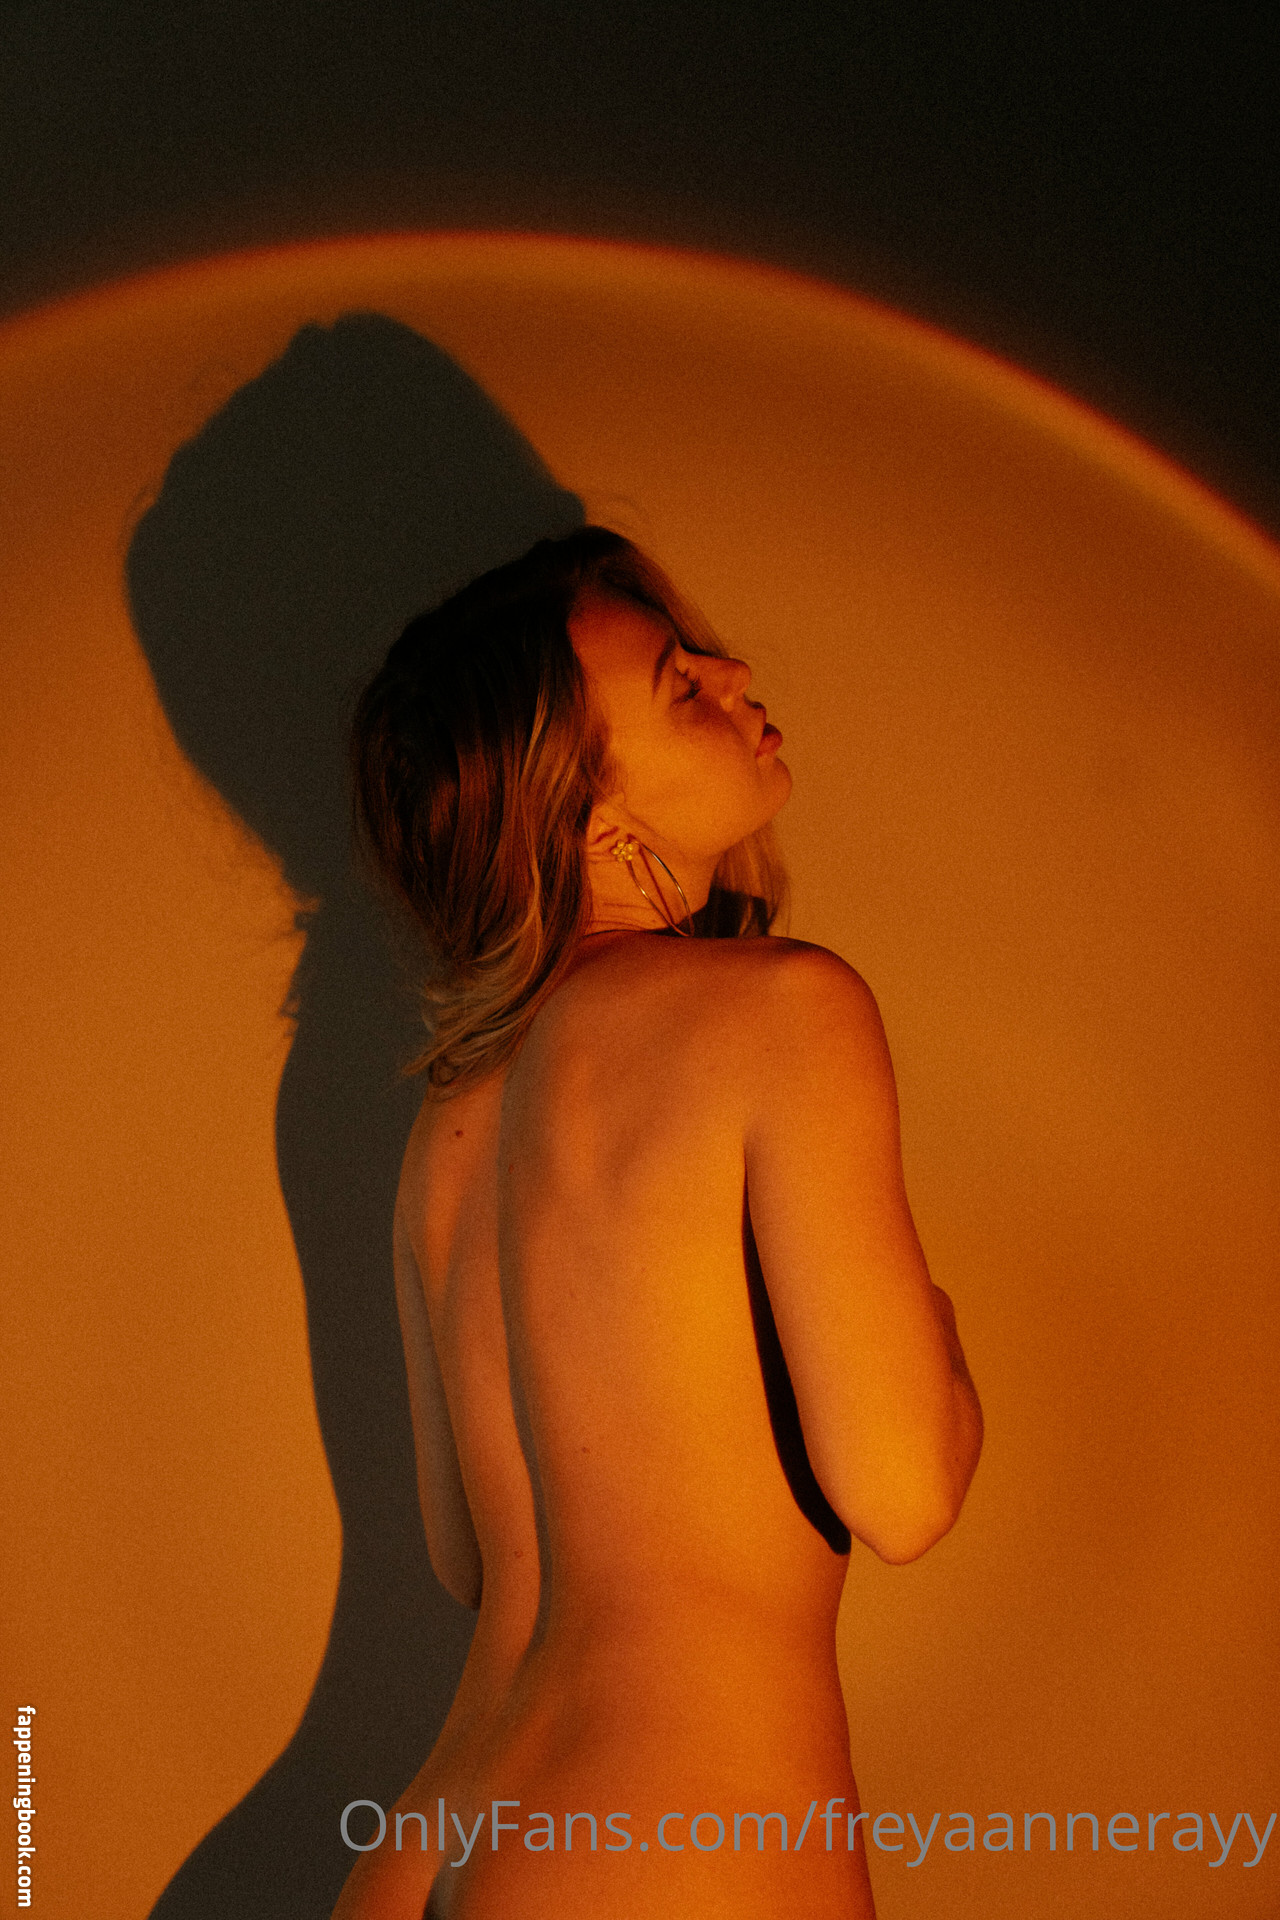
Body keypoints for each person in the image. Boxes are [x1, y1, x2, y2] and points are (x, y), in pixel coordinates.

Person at [330, 526, 982, 1920]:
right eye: (682, 684)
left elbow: (464, 1554)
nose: (737, 676)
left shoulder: (452, 1119)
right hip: (669, 1849)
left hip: (424, 1852)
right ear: (585, 813)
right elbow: (904, 1493)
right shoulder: (781, 1008)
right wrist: (935, 1335)